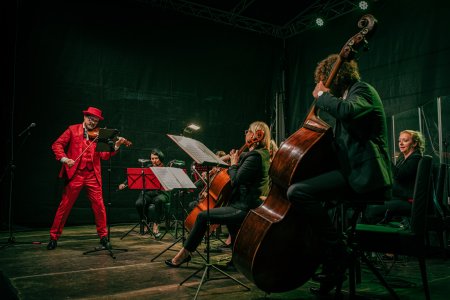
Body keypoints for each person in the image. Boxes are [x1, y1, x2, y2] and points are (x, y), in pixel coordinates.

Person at [286, 54, 393, 295]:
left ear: (336, 76)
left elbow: (347, 111)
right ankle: (332, 259)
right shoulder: (348, 95)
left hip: (366, 176)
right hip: (351, 173)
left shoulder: (362, 90)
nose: (322, 84)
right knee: (312, 198)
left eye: (324, 80)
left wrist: (323, 96)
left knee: (299, 191)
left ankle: (337, 251)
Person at [165, 121, 271, 268]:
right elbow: (240, 159)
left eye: (248, 131)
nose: (246, 133)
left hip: (244, 206)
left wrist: (233, 164)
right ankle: (236, 262)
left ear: (255, 134)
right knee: (232, 227)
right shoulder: (261, 154)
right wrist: (221, 161)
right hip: (245, 202)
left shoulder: (255, 157)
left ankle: (184, 254)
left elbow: (236, 180)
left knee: (202, 216)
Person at [47, 106, 128, 250]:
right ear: (85, 117)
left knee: (99, 207)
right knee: (64, 206)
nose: (92, 122)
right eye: (90, 118)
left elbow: (104, 156)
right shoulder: (72, 129)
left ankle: (103, 236)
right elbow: (57, 144)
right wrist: (65, 159)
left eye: (95, 120)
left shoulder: (100, 135)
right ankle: (54, 237)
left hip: (92, 175)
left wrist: (116, 145)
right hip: (75, 174)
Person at [364, 130, 425, 225]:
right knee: (369, 204)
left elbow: (398, 175)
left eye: (405, 140)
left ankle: (376, 236)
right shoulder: (402, 159)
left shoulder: (416, 158)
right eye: (399, 141)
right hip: (399, 198)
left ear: (414, 143)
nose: (401, 143)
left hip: (408, 202)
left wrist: (385, 156)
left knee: (372, 209)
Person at [118, 148, 170, 238]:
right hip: (148, 193)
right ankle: (145, 222)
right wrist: (124, 183)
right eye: (152, 158)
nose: (154, 160)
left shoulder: (166, 169)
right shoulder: (148, 168)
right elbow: (136, 176)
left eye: (156, 158)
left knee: (158, 200)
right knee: (139, 203)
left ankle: (156, 225)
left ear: (160, 158)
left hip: (161, 193)